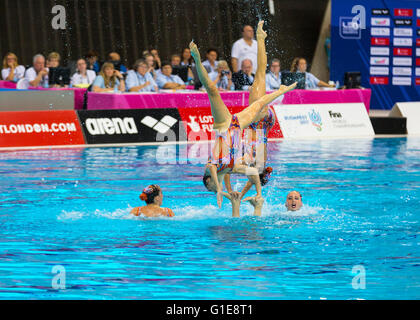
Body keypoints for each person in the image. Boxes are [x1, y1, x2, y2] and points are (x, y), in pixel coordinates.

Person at [189, 40, 297, 208]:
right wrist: (254, 193)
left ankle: (196, 59)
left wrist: (219, 191)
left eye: (211, 187)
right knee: (258, 103)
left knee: (212, 90)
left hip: (223, 125)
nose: (215, 189)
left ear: (210, 180)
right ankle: (280, 90)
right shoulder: (232, 167)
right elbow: (252, 172)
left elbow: (211, 168)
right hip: (238, 125)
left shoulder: (212, 167)